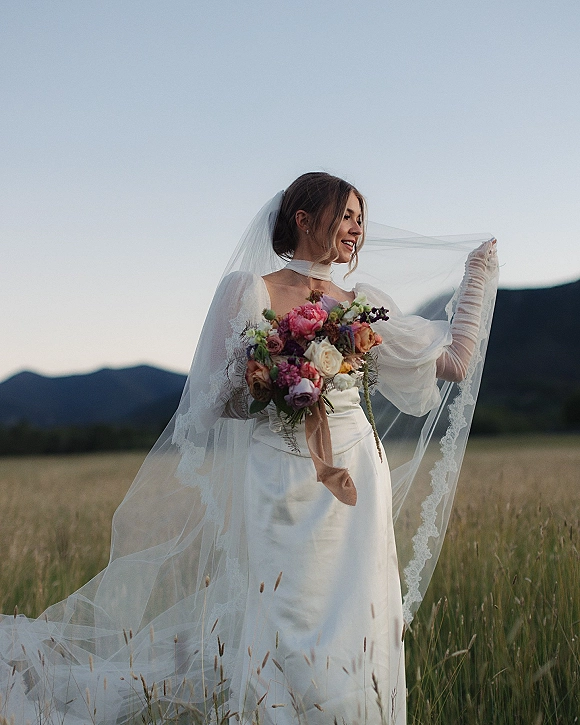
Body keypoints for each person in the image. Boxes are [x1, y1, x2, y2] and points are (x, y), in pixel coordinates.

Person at [0, 173, 498, 725]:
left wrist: (478, 277)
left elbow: (451, 364)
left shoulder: (365, 304)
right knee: (282, 611)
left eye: (361, 218)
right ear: (304, 219)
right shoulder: (248, 291)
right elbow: (211, 399)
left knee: (361, 616)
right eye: (345, 214)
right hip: (279, 476)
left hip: (357, 477)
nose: (356, 228)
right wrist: (279, 382)